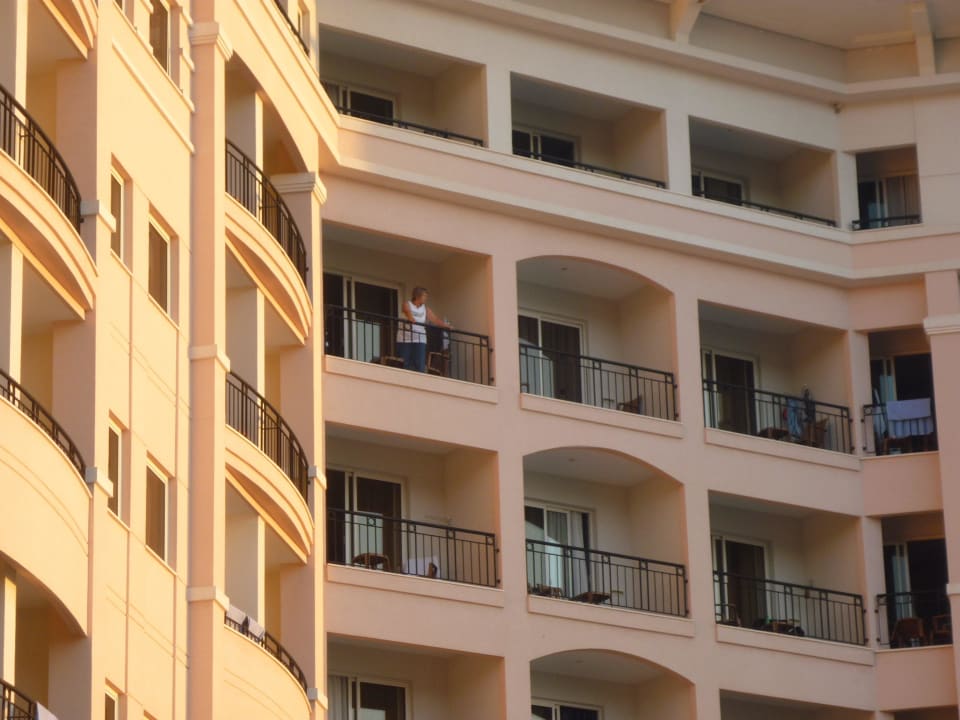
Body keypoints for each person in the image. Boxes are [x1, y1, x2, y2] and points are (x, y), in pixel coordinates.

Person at [396, 286, 452, 372]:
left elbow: (435, 320)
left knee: (419, 364)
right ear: (417, 296)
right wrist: (411, 318)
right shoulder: (407, 304)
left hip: (420, 339)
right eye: (424, 296)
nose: (426, 298)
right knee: (405, 363)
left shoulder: (425, 309)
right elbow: (407, 312)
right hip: (405, 339)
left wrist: (447, 326)